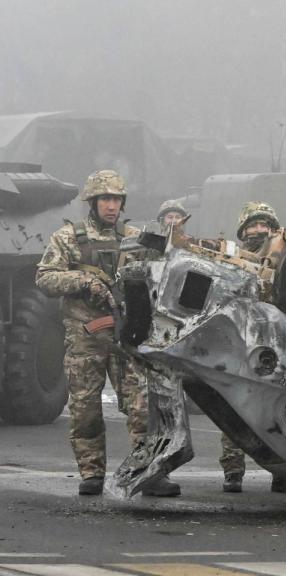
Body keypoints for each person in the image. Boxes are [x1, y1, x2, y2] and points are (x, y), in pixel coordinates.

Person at [35, 169, 180, 497]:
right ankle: (92, 472)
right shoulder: (70, 238)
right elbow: (45, 278)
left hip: (127, 336)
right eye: (105, 199)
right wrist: (84, 281)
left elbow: (163, 270)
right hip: (86, 338)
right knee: (86, 410)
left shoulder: (133, 238)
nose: (111, 205)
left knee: (143, 408)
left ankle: (149, 472)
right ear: (93, 202)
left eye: (116, 199)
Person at [220, 201, 286, 494]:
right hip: (239, 342)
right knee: (233, 405)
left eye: (265, 225)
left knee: (281, 410)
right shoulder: (228, 258)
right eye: (253, 225)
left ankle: (285, 474)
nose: (259, 230)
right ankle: (233, 471)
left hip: (276, 343)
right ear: (243, 230)